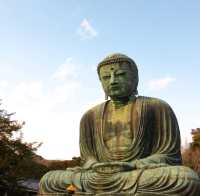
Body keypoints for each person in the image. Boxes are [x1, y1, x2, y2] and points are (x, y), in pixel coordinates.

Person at [39, 53, 200, 195]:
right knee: (49, 180)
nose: (113, 81)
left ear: (135, 78)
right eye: (106, 78)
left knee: (186, 178)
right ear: (101, 82)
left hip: (138, 174)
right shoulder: (89, 116)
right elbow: (87, 158)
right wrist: (96, 166)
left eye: (121, 74)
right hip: (98, 176)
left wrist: (131, 165)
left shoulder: (156, 107)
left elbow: (168, 155)